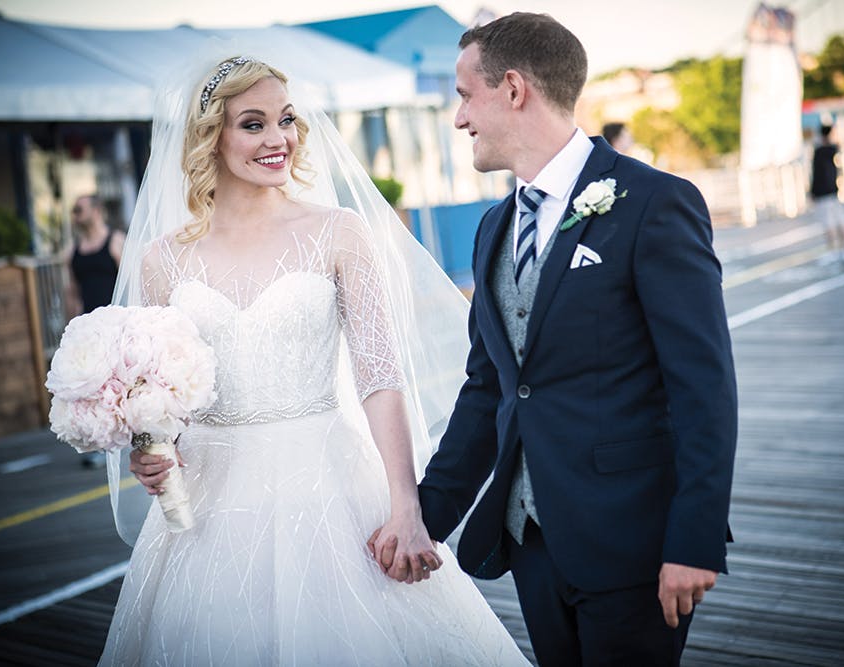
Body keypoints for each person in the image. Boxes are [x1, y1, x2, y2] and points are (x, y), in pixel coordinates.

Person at [106, 56, 529, 665]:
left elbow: (380, 378)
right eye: (252, 124)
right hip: (208, 507)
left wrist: (406, 506)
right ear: (210, 139)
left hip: (329, 489)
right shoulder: (162, 261)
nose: (278, 139)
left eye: (286, 120)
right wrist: (152, 451)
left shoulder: (338, 232)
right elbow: (161, 398)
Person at [393, 13, 738, 666]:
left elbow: (705, 386)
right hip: (532, 546)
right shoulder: (494, 226)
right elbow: (489, 386)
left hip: (634, 541)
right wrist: (423, 519)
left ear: (514, 89)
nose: (459, 118)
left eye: (466, 96)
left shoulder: (653, 203)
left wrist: (694, 539)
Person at [65, 194, 125, 468]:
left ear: (97, 210)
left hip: (116, 327)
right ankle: (102, 444)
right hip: (89, 331)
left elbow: (131, 282)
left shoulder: (115, 241)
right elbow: (73, 293)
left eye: (79, 209)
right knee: (95, 386)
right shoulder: (72, 251)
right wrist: (72, 331)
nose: (75, 215)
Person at [810, 124, 844, 265]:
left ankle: (833, 251)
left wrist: (813, 192)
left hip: (823, 193)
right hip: (834, 190)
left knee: (829, 224)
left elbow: (816, 175)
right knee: (840, 220)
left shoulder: (819, 151)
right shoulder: (834, 150)